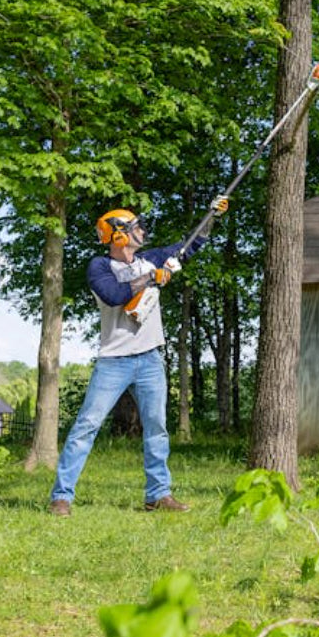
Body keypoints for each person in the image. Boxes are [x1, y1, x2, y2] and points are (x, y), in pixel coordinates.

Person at [49, 201, 227, 516]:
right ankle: (61, 497)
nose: (142, 232)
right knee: (86, 426)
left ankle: (158, 495)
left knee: (157, 427)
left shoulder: (149, 259)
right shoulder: (100, 267)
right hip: (113, 361)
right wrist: (152, 278)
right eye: (135, 228)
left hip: (150, 359)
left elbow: (191, 244)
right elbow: (115, 295)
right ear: (118, 236)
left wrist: (212, 216)